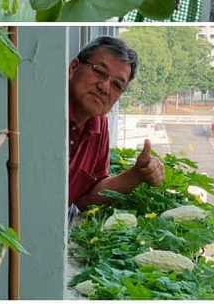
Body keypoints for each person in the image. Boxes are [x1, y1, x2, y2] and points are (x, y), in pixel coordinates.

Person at [68, 36, 164, 210]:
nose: (104, 87)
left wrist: (136, 175)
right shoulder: (44, 113)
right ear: (73, 68)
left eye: (117, 85)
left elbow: (88, 196)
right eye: (99, 71)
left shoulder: (99, 123)